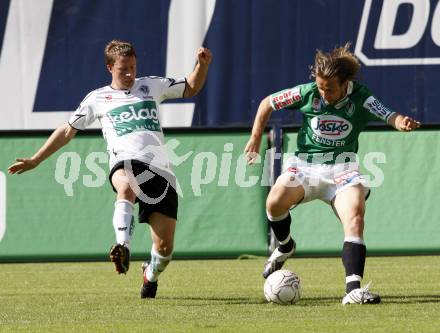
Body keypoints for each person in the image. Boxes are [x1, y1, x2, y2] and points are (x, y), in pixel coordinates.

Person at [8, 40, 213, 299]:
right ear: (109, 68)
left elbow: (191, 87)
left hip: (160, 170)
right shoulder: (98, 98)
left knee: (164, 249)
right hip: (126, 161)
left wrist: (202, 65)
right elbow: (67, 131)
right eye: (123, 69)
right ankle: (122, 246)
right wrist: (37, 159)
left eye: (132, 67)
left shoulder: (151, 85)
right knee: (125, 186)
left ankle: (150, 274)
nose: (129, 74)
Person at [244, 43, 420, 305]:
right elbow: (267, 103)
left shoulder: (361, 96)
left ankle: (353, 290)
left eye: (330, 88)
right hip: (305, 166)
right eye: (320, 87)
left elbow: (388, 115)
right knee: (274, 203)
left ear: (345, 83)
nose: (324, 93)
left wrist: (401, 122)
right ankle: (285, 246)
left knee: (355, 217)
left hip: (343, 169)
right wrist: (255, 138)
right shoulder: (306, 93)